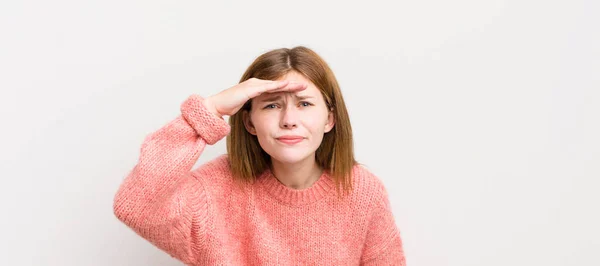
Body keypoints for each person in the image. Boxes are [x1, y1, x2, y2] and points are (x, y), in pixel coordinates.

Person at [113, 46, 407, 265]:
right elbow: (135, 206)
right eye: (271, 106)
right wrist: (210, 110)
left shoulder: (363, 192)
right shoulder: (215, 191)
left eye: (304, 104)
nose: (289, 119)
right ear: (249, 122)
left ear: (330, 119)